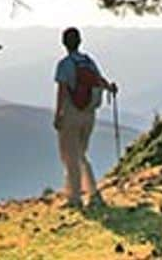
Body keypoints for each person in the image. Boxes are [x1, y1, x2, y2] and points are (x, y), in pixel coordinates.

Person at [51, 26, 117, 208]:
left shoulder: (64, 64)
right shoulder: (88, 61)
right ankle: (88, 193)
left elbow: (62, 90)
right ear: (79, 41)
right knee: (81, 153)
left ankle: (77, 198)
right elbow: (99, 80)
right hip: (89, 114)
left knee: (71, 156)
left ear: (64, 43)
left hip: (72, 113)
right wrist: (110, 88)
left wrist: (58, 114)